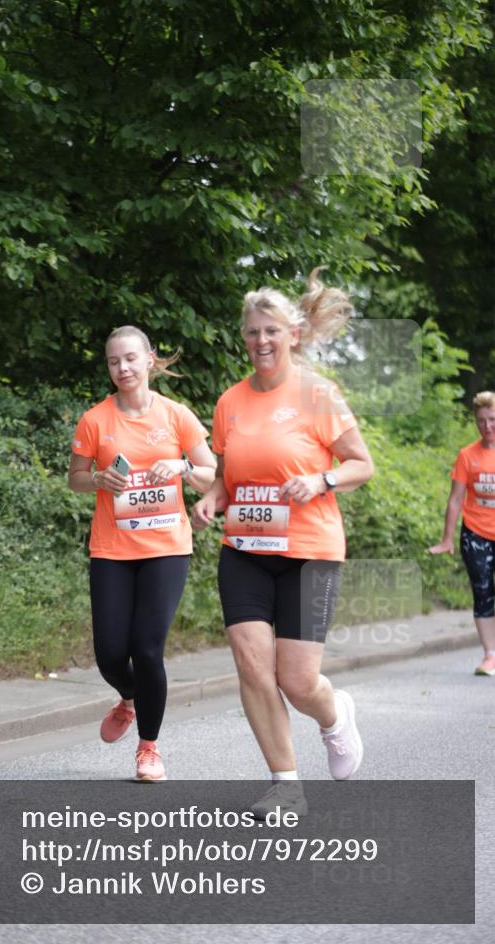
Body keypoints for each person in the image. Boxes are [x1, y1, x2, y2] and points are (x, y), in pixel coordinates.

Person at [192, 270, 374, 817]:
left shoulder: (319, 394)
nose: (261, 340)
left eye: (271, 330)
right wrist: (212, 499)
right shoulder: (230, 402)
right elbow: (227, 476)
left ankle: (334, 715)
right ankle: (285, 783)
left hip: (309, 553)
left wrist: (321, 480)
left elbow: (361, 464)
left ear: (293, 334)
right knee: (252, 667)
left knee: (296, 681)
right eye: (252, 332)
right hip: (245, 551)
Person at [68, 325, 216, 781]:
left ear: (150, 359)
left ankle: (148, 748)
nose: (123, 368)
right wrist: (98, 479)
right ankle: (129, 699)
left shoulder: (176, 416)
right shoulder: (95, 420)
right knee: (111, 655)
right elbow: (75, 478)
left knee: (148, 649)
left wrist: (183, 467)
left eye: (130, 358)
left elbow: (211, 474)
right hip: (112, 549)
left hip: (166, 548)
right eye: (114, 361)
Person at [429, 391, 495, 676]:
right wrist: (447, 539)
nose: (487, 426)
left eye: (492, 419)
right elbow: (456, 499)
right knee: (483, 593)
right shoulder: (468, 456)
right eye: (481, 420)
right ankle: (490, 655)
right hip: (476, 534)